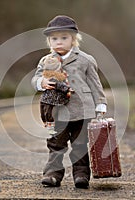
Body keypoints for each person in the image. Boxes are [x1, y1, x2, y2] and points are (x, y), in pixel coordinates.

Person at [31, 15, 107, 189]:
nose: (59, 42)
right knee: (56, 143)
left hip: (82, 111)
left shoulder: (85, 60)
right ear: (49, 41)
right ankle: (52, 174)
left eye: (64, 38)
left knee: (80, 144)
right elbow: (35, 78)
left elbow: (96, 85)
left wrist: (100, 104)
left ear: (73, 40)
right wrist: (41, 83)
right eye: (54, 39)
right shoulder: (46, 61)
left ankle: (81, 175)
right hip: (58, 112)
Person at [39, 54, 73, 135]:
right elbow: (59, 85)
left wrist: (67, 88)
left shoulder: (49, 77)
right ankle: (48, 125)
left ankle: (48, 125)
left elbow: (58, 85)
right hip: (50, 99)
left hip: (48, 99)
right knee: (48, 113)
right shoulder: (51, 77)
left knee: (47, 113)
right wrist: (67, 89)